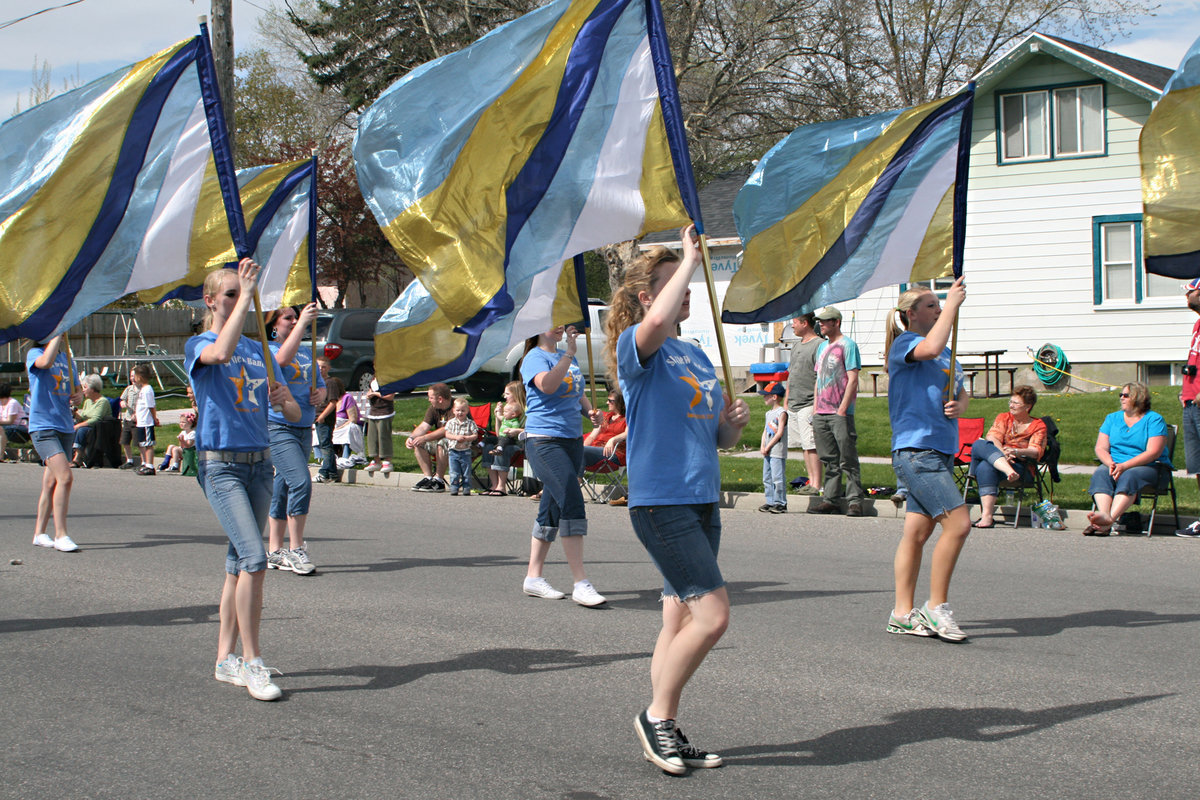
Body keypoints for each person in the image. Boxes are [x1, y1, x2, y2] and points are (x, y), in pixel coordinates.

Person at [606, 223, 749, 775]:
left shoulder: (694, 356)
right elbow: (660, 320)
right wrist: (690, 257)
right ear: (648, 296)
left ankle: (663, 723)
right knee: (712, 618)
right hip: (660, 500)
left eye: (687, 281)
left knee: (677, 622)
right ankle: (655, 718)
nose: (686, 292)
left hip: (700, 497)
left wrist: (732, 426)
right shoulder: (636, 347)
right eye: (674, 283)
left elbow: (717, 438)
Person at [187, 259, 300, 701]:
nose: (240, 298)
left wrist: (288, 398)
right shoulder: (202, 342)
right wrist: (246, 293)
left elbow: (290, 414)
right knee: (255, 558)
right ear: (211, 300)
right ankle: (253, 662)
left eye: (245, 292)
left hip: (260, 463)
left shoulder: (259, 351)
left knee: (238, 564)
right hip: (222, 466)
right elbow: (218, 355)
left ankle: (224, 659)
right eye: (231, 293)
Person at [884, 278, 972, 642]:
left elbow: (963, 392)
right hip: (917, 451)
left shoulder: (946, 353)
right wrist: (953, 303)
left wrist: (959, 405)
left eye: (940, 304)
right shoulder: (906, 344)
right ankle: (937, 608)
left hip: (939, 449)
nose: (938, 310)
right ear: (911, 314)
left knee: (917, 533)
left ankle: (902, 613)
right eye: (932, 306)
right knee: (959, 524)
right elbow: (932, 347)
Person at [519, 325, 606, 607]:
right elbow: (547, 385)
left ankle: (533, 578)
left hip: (571, 440)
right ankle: (581, 583)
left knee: (552, 505)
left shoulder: (569, 359)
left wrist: (589, 411)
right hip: (544, 440)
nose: (560, 327)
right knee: (570, 498)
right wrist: (568, 353)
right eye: (553, 322)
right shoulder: (534, 357)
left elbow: (575, 391)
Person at [264, 304, 326, 575]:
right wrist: (302, 324)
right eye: (288, 318)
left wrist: (320, 396)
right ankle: (296, 548)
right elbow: (279, 364)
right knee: (301, 481)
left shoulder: (306, 351)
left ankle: (275, 550)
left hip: (303, 426)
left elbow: (321, 385)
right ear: (274, 325)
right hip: (279, 426)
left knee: (284, 484)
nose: (293, 321)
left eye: (295, 317)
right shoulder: (269, 349)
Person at [1084, 382, 1170, 536]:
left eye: (1126, 395)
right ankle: (1104, 514)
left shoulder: (1154, 420)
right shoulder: (1112, 418)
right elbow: (1100, 448)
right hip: (1115, 464)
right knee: (1101, 472)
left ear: (1139, 398)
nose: (1121, 398)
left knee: (1130, 475)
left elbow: (1153, 452)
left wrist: (1124, 466)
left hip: (1149, 467)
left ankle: (1109, 520)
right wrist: (1110, 463)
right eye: (1121, 395)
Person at [26, 335, 83, 552]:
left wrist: (78, 396)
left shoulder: (67, 358)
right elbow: (45, 363)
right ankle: (61, 535)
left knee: (50, 483)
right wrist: (57, 337)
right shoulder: (35, 354)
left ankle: (39, 533)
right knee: (65, 478)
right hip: (43, 427)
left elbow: (76, 388)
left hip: (65, 427)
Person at [967, 385, 1048, 528]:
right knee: (979, 445)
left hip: (1020, 468)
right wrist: (1004, 454)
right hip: (1005, 464)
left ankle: (986, 516)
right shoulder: (1004, 418)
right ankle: (987, 515)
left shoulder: (1038, 425)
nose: (1011, 405)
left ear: (1028, 406)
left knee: (985, 466)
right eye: (1010, 402)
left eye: (1016, 403)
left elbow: (1035, 451)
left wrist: (1016, 452)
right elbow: (992, 436)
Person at [809, 306, 864, 516]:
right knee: (829, 459)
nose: (821, 324)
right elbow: (818, 379)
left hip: (840, 411)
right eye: (820, 321)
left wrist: (842, 409)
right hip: (821, 411)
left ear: (836, 322)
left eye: (825, 321)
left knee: (847, 457)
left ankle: (854, 500)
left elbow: (853, 379)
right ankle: (830, 499)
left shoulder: (848, 346)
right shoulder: (822, 347)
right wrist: (815, 409)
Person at [785, 313, 822, 496]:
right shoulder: (796, 345)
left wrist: (816, 404)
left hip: (809, 402)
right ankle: (810, 480)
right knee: (803, 445)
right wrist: (786, 401)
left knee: (811, 444)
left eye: (794, 323)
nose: (792, 327)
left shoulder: (819, 345)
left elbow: (821, 376)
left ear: (805, 323)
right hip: (794, 403)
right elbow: (791, 375)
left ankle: (817, 484)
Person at [1177, 278, 1200, 536]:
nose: (1188, 296)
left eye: (1191, 291)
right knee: (1197, 466)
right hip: (1190, 405)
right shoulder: (1197, 324)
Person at [481, 380, 526, 496]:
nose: (504, 396)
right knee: (488, 446)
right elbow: (499, 434)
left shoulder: (526, 411)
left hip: (520, 443)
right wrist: (497, 416)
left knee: (502, 450)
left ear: (516, 394)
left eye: (507, 394)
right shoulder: (507, 410)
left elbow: (532, 430)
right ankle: (494, 485)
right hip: (505, 441)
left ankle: (502, 486)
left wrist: (516, 430)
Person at [407, 383, 453, 492]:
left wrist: (425, 438)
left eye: (431, 397)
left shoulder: (456, 407)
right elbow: (423, 426)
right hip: (441, 443)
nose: (429, 400)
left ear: (440, 399)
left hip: (460, 444)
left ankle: (439, 480)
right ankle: (428, 478)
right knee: (419, 443)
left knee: (442, 442)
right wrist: (412, 437)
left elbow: (447, 429)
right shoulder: (433, 408)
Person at [758, 381, 789, 513]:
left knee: (777, 478)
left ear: (774, 397)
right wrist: (762, 446)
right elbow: (765, 431)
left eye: (767, 395)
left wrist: (769, 446)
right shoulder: (768, 414)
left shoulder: (782, 413)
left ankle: (780, 502)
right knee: (767, 477)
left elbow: (779, 432)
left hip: (776, 450)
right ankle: (770, 501)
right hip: (767, 451)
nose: (764, 398)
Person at [70, 374, 112, 467]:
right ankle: (68, 455)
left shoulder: (102, 401)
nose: (83, 390)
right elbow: (83, 419)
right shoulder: (87, 402)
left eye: (85, 387)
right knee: (70, 426)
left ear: (92, 389)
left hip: (99, 428)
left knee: (80, 430)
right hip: (87, 426)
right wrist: (74, 414)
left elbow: (96, 419)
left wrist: (78, 426)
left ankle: (78, 458)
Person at [443, 397, 480, 496]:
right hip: (453, 451)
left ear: (467, 411)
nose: (460, 413)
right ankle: (454, 487)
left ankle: (466, 487)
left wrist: (467, 438)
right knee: (454, 471)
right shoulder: (451, 422)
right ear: (453, 410)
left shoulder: (470, 423)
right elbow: (447, 434)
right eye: (458, 410)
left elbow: (475, 435)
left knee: (466, 471)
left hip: (465, 451)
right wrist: (456, 437)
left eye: (463, 411)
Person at [582, 391, 627, 468]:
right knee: (571, 448)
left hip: (613, 454)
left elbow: (628, 433)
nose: (607, 402)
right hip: (594, 449)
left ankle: (575, 479)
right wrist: (584, 446)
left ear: (620, 403)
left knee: (579, 452)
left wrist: (612, 440)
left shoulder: (628, 419)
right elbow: (592, 436)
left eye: (610, 401)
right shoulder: (605, 416)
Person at [364, 377, 396, 476]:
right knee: (372, 437)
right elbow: (370, 391)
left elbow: (390, 396)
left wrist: (375, 394)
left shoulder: (389, 379)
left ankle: (387, 461)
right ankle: (376, 460)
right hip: (374, 412)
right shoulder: (373, 380)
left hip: (385, 412)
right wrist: (369, 394)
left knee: (383, 436)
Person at [314, 377, 343, 483]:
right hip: (317, 418)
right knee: (324, 444)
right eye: (319, 366)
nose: (321, 369)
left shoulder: (330, 383)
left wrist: (322, 416)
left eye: (324, 366)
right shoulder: (317, 382)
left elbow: (333, 402)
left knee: (326, 445)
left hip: (325, 419)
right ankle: (333, 473)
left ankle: (324, 472)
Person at [132, 364, 159, 476]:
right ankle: (145, 462)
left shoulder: (148, 389)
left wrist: (154, 418)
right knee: (142, 443)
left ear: (140, 377)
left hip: (147, 422)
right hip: (141, 422)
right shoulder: (143, 389)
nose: (134, 378)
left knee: (148, 444)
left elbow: (151, 406)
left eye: (135, 376)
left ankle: (150, 466)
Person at [0, 382, 29, 461]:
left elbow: (10, 421)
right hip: (7, 427)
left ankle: (0, 456)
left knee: (0, 429)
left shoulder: (12, 403)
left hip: (20, 428)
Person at [117, 370, 139, 469]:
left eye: (135, 376)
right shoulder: (129, 389)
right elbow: (122, 399)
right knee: (124, 441)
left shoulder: (142, 389)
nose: (132, 378)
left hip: (137, 419)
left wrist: (138, 414)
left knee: (138, 442)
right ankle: (129, 460)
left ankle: (143, 461)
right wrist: (122, 403)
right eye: (131, 376)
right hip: (128, 418)